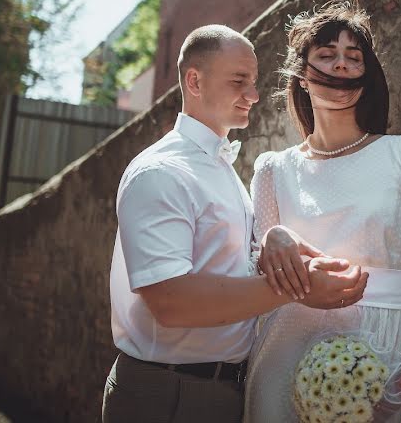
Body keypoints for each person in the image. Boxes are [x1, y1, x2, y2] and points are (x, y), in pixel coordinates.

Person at [102, 24, 370, 423]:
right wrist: (299, 289)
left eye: (254, 81)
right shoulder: (161, 172)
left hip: (217, 390)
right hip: (168, 394)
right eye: (238, 81)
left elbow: (221, 264)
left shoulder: (220, 168)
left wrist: (273, 244)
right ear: (195, 81)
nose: (254, 94)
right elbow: (171, 302)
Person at [244, 0, 401, 422]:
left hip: (379, 362)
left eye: (353, 57)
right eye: (326, 55)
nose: (341, 66)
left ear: (367, 78)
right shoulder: (273, 170)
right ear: (303, 77)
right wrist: (275, 238)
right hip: (283, 349)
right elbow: (262, 277)